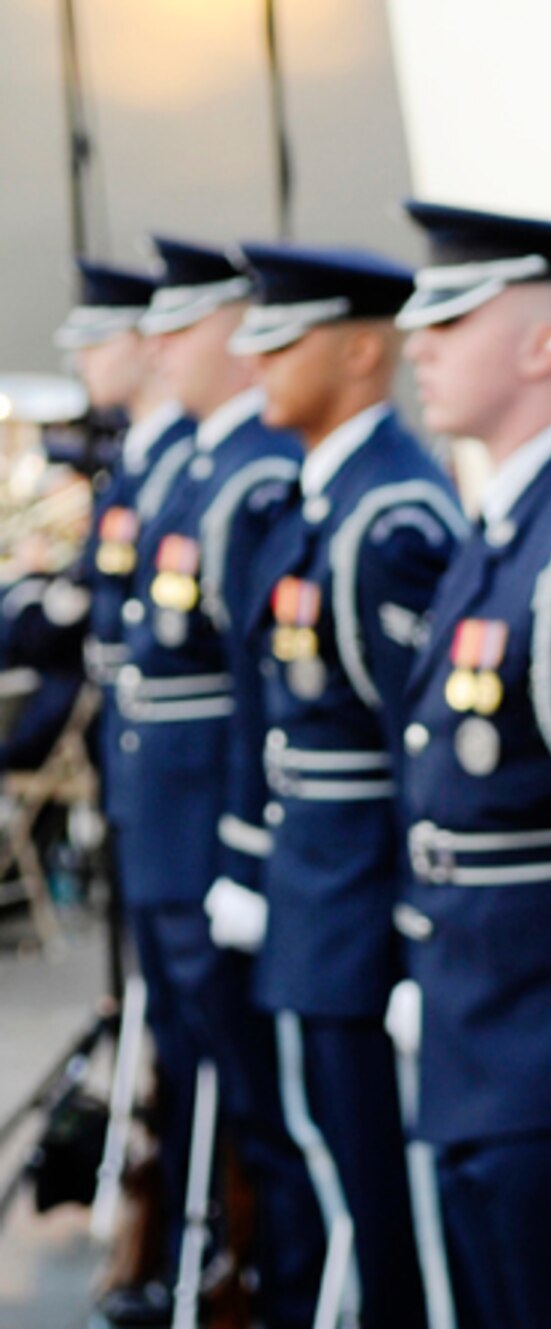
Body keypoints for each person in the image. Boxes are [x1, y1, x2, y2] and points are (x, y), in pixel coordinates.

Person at [389, 199, 551, 1329]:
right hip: (480, 1030)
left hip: (544, 1051)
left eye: (453, 319)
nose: (419, 344)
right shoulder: (507, 530)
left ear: (543, 342)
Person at [227, 242, 465, 1329]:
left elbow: (419, 750)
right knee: (340, 1183)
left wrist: (414, 932)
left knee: (385, 1214)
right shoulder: (332, 503)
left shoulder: (390, 518)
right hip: (320, 905)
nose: (257, 357)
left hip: (362, 914)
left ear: (364, 349)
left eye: (286, 335)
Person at [105, 235, 326, 1327]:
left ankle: (269, 1287)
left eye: (182, 325)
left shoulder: (251, 477)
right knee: (211, 1075)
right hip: (169, 826)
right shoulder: (198, 465)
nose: (158, 345)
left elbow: (254, 691)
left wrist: (241, 852)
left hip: (209, 838)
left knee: (259, 1098)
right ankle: (217, 1270)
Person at [52, 259, 201, 1326]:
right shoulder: (143, 469)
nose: (83, 359)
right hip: (153, 807)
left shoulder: (198, 473)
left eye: (98, 339)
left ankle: (215, 1269)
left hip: (200, 830)